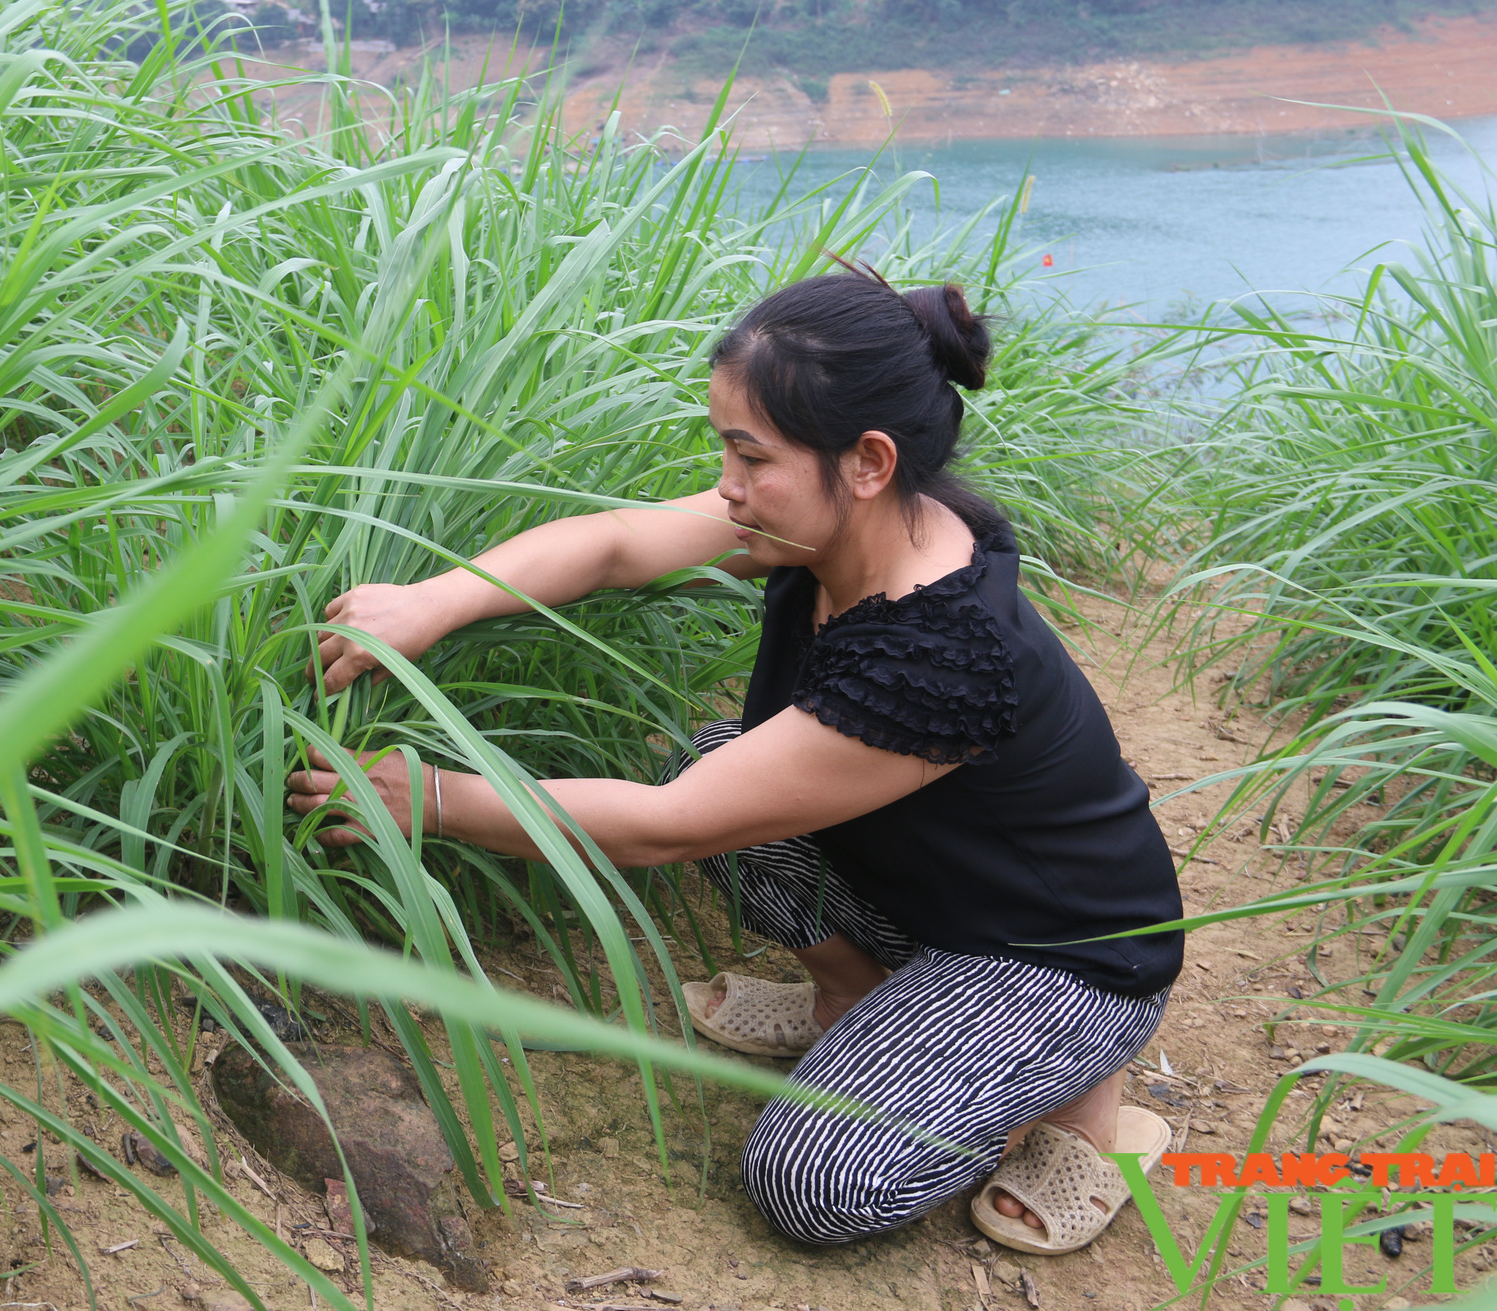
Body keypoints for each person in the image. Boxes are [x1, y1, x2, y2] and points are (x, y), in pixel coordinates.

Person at [285, 266, 1184, 1256]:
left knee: (809, 1179)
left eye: (748, 454)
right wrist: (436, 599)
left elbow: (671, 829)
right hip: (938, 891)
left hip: (1060, 952)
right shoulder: (842, 525)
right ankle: (859, 1001)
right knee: (710, 761)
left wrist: (436, 801)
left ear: (867, 461)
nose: (725, 483)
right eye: (725, 447)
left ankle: (1076, 1092)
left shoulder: (941, 650)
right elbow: (619, 542)